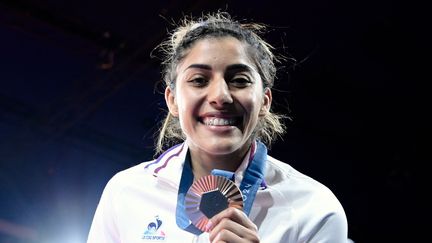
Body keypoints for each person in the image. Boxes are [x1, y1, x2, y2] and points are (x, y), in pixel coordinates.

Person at [87, 11, 348, 243]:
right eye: (199, 80)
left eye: (239, 80)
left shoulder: (314, 210)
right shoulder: (126, 193)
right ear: (173, 100)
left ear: (265, 101)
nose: (221, 96)